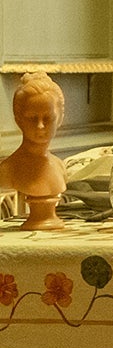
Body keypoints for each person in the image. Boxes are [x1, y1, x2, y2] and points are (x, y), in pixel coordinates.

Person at [0, 73, 67, 230]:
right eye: (32, 118)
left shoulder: (59, 166)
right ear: (18, 119)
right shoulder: (9, 170)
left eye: (47, 118)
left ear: (60, 118)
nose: (40, 127)